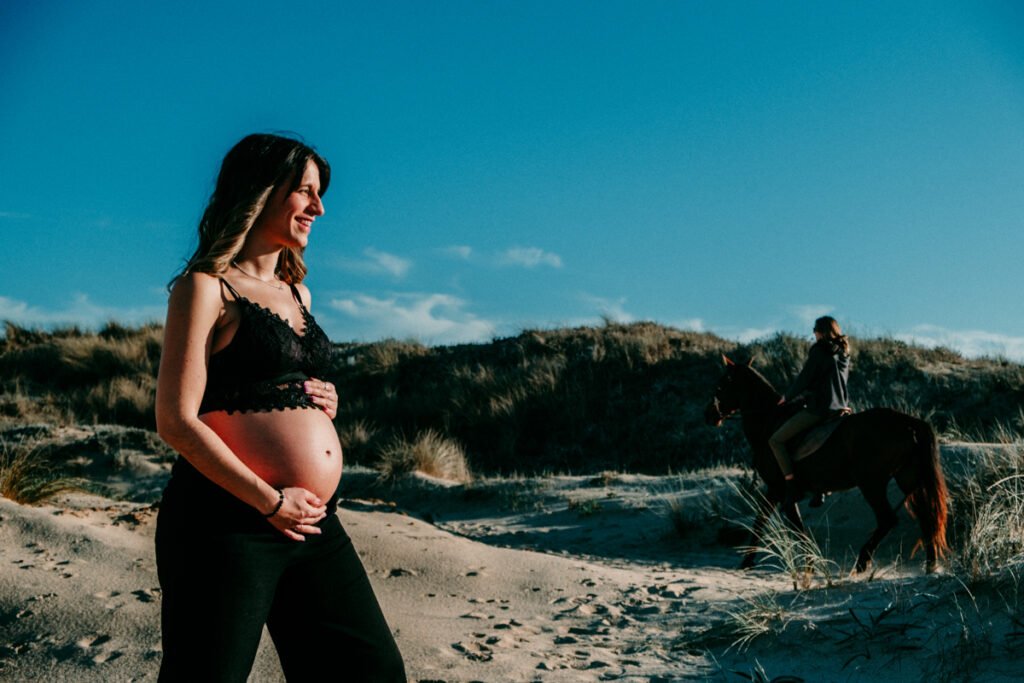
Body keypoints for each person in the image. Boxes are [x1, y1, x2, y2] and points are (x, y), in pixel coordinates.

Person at [154, 133, 406, 682]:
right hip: (226, 522)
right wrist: (269, 502)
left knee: (370, 672)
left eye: (319, 194)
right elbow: (175, 419)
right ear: (260, 191)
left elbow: (272, 383)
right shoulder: (205, 287)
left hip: (312, 524)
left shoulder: (298, 294)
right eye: (305, 192)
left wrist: (319, 401)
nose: (318, 208)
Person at [768, 316, 851, 506]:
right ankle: (819, 486)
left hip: (821, 409)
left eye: (815, 330)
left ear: (820, 332)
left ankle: (791, 485)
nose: (813, 334)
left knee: (776, 440)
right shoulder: (844, 352)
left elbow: (805, 378)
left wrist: (786, 397)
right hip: (841, 408)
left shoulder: (820, 350)